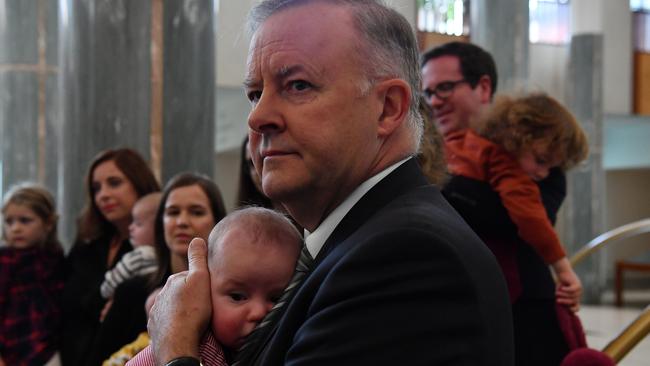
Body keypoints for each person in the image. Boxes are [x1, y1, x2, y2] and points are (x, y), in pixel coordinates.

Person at [148, 1, 514, 366]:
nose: (258, 117)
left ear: (387, 108)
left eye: (297, 85)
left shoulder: (408, 255)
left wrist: (177, 346)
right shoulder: (352, 240)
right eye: (255, 94)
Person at [441, 93, 589, 366]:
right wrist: (564, 269)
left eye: (552, 167)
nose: (544, 174)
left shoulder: (459, 142)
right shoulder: (505, 164)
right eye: (541, 160)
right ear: (516, 137)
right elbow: (530, 217)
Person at [127, 207, 302, 366]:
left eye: (276, 298)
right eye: (237, 296)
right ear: (205, 290)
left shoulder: (295, 346)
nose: (258, 312)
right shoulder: (192, 342)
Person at [85, 173, 227, 366]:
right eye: (173, 212)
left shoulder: (227, 294)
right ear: (161, 223)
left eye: (196, 212)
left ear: (217, 221)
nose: (182, 222)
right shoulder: (132, 291)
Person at [420, 41, 566, 223]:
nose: (433, 102)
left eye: (445, 87)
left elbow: (515, 225)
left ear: (484, 88)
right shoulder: (428, 151)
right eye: (428, 93)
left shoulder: (535, 157)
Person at [61, 148, 160, 366]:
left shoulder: (155, 251)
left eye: (114, 183)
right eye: (96, 188)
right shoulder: (87, 243)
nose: (103, 195)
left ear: (139, 183)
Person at [0, 184, 64, 366]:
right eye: (9, 221)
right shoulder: (4, 260)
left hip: (46, 351)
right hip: (9, 350)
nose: (15, 228)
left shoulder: (55, 258)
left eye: (25, 220)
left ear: (48, 223)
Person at [99, 192, 162, 320]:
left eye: (138, 224)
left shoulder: (138, 256)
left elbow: (107, 288)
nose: (131, 227)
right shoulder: (167, 261)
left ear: (158, 228)